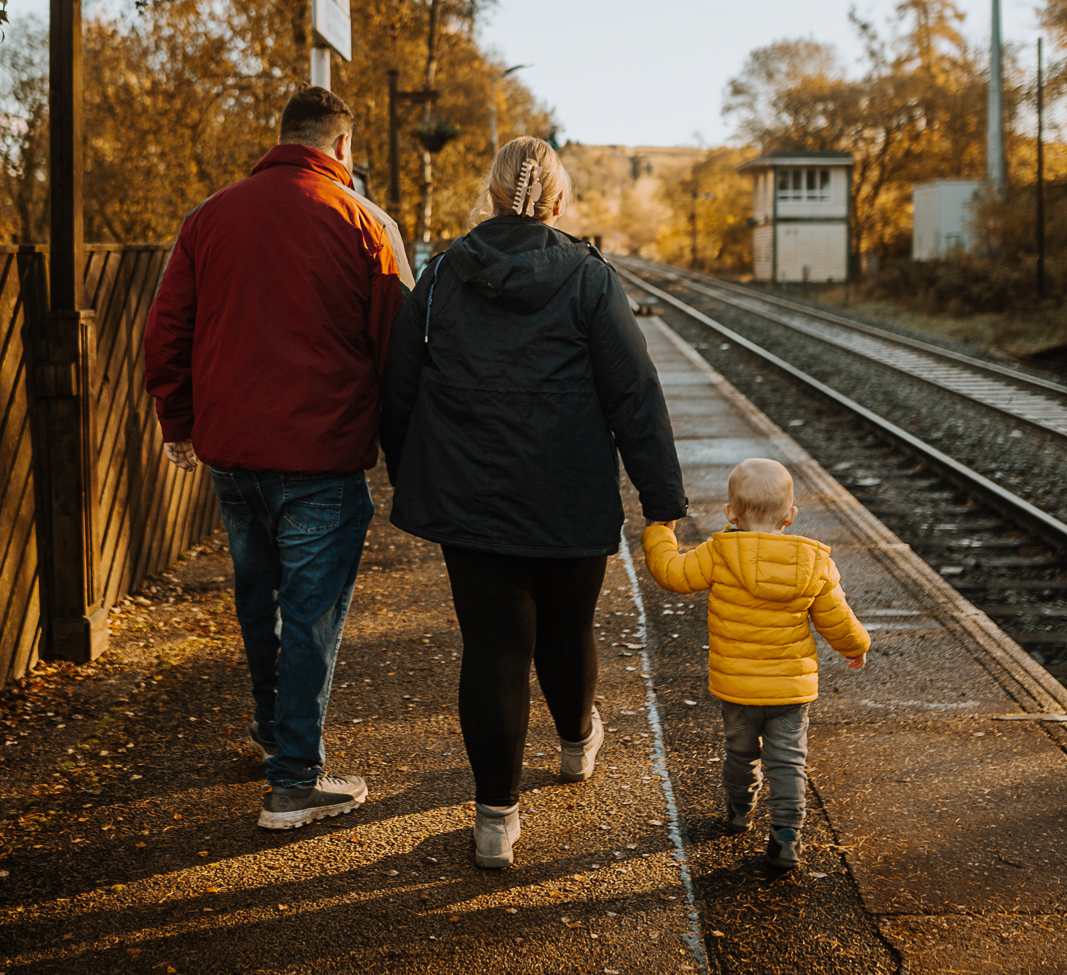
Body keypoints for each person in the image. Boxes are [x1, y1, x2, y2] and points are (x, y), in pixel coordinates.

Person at [380, 136, 686, 870]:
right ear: (557, 199)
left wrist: (411, 471)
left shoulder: (445, 274)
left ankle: (495, 824)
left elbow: (399, 383)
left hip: (472, 499)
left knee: (492, 647)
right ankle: (578, 744)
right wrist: (661, 500)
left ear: (489, 195)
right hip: (570, 495)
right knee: (565, 628)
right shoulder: (589, 278)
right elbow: (634, 394)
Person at [144, 86, 409, 830]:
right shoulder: (365, 222)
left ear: (283, 137)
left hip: (234, 458)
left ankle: (272, 730)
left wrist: (179, 421)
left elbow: (166, 331)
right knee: (312, 615)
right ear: (343, 147)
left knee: (258, 596)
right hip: (322, 459)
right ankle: (294, 776)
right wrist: (404, 451)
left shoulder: (208, 218)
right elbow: (398, 351)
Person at [643, 457, 870, 869]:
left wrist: (660, 533)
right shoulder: (814, 563)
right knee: (788, 761)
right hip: (790, 689)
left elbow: (673, 574)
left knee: (740, 752)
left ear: (731, 513)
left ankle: (739, 810)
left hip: (739, 687)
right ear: (790, 515)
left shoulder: (719, 554)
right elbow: (837, 619)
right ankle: (785, 834)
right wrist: (856, 647)